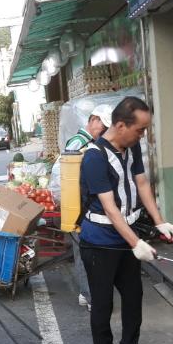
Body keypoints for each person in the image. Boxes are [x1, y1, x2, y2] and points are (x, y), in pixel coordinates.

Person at [78, 97, 173, 344]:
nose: (142, 135)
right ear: (120, 125)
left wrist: (160, 222)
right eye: (140, 130)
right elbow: (110, 209)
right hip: (99, 242)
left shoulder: (131, 148)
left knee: (134, 295)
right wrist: (137, 244)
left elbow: (142, 183)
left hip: (127, 238)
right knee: (103, 301)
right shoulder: (94, 157)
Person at [63, 104, 113, 311]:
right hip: (78, 208)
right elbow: (69, 178)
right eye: (102, 124)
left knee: (85, 253)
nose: (103, 130)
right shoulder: (78, 143)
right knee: (86, 254)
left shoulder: (90, 142)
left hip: (81, 206)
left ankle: (86, 293)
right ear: (93, 120)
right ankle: (91, 296)